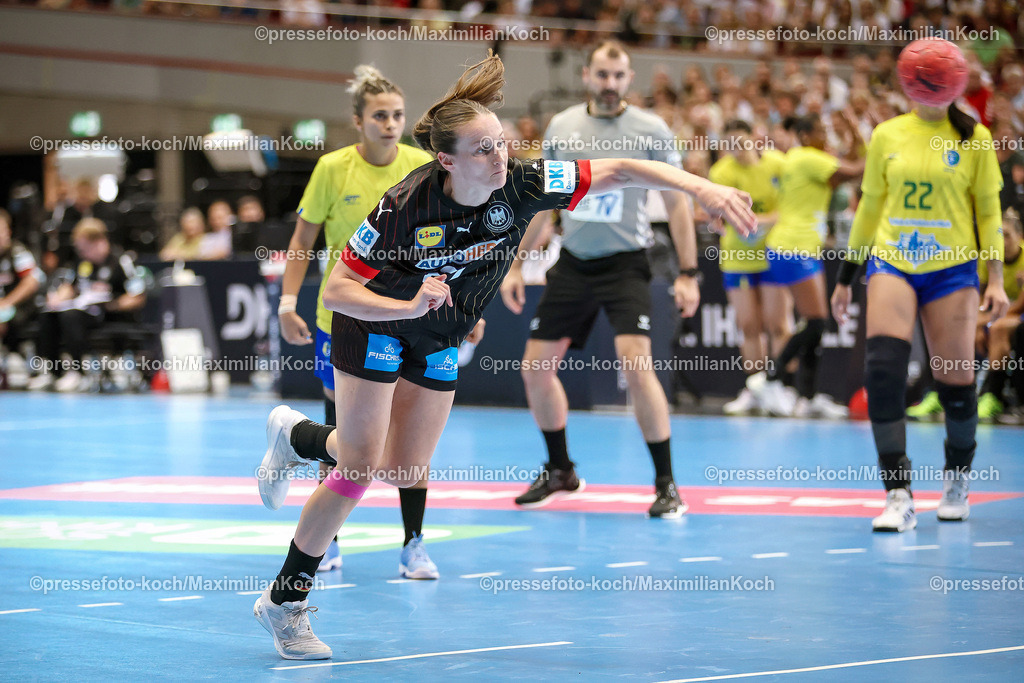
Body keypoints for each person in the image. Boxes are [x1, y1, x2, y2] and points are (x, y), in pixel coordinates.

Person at [251, 51, 756, 660]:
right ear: (447, 160)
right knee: (358, 467)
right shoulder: (405, 204)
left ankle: (300, 438)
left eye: (501, 142)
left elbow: (621, 169)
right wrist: (405, 304)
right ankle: (285, 600)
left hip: (439, 332)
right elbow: (335, 290)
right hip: (376, 321)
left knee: (404, 471)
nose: (500, 156)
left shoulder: (522, 183)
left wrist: (701, 186)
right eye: (483, 149)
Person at [498, 41, 699, 518]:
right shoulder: (562, 126)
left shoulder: (651, 130)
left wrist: (689, 273)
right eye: (602, 75)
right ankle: (560, 469)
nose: (610, 84)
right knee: (535, 368)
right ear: (586, 75)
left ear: (629, 79)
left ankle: (667, 484)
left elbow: (678, 204)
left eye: (618, 75)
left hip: (626, 263)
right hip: (573, 261)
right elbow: (544, 203)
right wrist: (516, 265)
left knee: (636, 364)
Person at [831, 39, 1008, 532]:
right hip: (893, 262)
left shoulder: (976, 139)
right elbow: (869, 206)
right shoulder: (887, 134)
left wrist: (995, 279)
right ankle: (898, 494)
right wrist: (846, 276)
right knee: (883, 372)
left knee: (956, 382)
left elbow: (989, 213)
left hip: (952, 269)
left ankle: (956, 482)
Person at [271, 66, 438, 577]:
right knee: (346, 431)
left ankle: (414, 544)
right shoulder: (332, 168)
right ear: (358, 122)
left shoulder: (422, 165)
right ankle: (329, 540)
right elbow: (302, 240)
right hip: (343, 317)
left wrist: (460, 310)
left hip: (410, 315)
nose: (390, 124)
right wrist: (287, 303)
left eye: (398, 115)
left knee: (412, 431)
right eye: (380, 116)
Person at [746, 112, 865, 418]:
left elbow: (849, 165)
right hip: (791, 248)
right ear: (805, 135)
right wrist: (886, 145)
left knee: (815, 324)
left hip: (802, 248)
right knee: (816, 322)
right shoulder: (808, 158)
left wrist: (854, 130)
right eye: (821, 130)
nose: (826, 135)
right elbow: (856, 169)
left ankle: (807, 398)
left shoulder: (806, 159)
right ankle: (769, 379)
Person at [708, 120, 790, 415]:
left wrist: (758, 221)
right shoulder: (721, 172)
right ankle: (755, 388)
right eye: (729, 144)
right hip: (737, 258)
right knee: (749, 326)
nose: (736, 149)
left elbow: (791, 208)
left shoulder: (778, 164)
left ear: (754, 138)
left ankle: (779, 386)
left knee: (778, 325)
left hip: (775, 254)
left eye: (740, 142)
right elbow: (722, 214)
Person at [27, 218, 147, 392]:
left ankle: (79, 372)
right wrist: (57, 298)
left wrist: (112, 304)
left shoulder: (121, 261)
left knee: (70, 317)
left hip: (110, 314)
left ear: (99, 242)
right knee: (48, 315)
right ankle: (53, 372)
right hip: (83, 309)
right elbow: (70, 286)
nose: (81, 252)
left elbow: (138, 296)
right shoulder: (82, 262)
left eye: (84, 248)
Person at [976, 208, 1024, 421]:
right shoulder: (988, 256)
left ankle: (993, 395)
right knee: (963, 327)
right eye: (998, 236)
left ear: (1019, 237)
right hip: (1000, 313)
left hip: (1017, 313)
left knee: (998, 328)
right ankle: (947, 395)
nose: (1002, 241)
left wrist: (987, 320)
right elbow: (979, 296)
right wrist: (978, 324)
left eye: (1007, 235)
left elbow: (1020, 305)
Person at [0, 209, 40, 356]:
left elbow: (31, 282)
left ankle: (14, 355)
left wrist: (7, 302)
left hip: (19, 307)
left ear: (8, 232)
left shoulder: (18, 252)